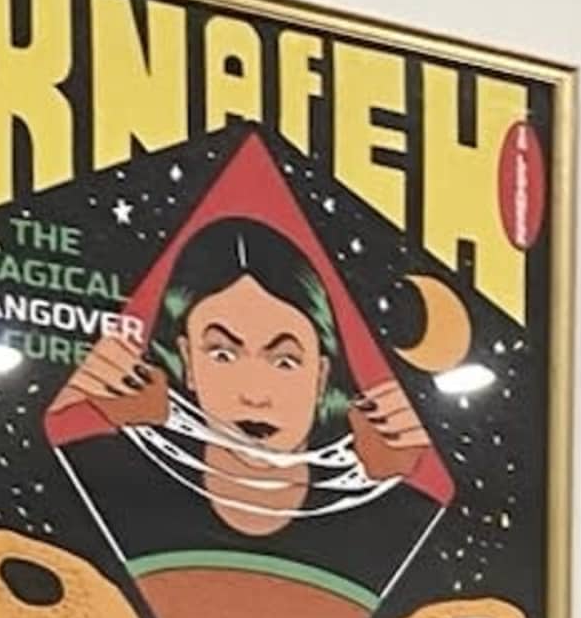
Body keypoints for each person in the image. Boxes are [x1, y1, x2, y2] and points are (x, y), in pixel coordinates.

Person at [59, 215, 430, 543]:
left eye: (285, 360)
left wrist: (428, 435)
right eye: (222, 354)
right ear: (187, 360)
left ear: (321, 375)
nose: (254, 395)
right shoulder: (97, 479)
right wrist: (69, 390)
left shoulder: (400, 517)